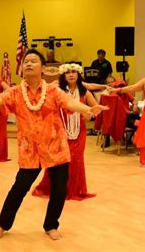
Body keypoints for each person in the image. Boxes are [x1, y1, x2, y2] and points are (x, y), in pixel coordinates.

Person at [0, 49, 107, 241]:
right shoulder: (16, 92)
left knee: (59, 189)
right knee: (19, 188)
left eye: (33, 61)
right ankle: (3, 225)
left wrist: (88, 109)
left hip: (55, 147)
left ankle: (51, 225)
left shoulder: (53, 91)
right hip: (30, 150)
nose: (28, 63)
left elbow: (69, 103)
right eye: (26, 61)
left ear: (42, 68)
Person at [32, 63, 98, 201]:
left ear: (78, 74)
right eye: (68, 72)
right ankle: (56, 189)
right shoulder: (57, 91)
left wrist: (89, 114)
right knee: (59, 161)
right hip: (60, 132)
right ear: (63, 75)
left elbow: (94, 109)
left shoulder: (84, 92)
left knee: (76, 160)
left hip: (79, 131)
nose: (71, 74)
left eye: (74, 72)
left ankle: (74, 190)